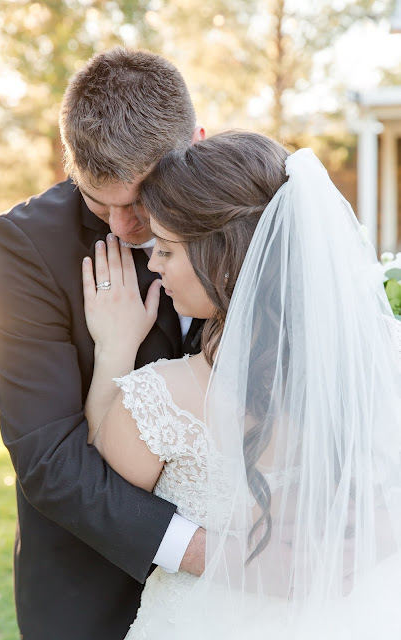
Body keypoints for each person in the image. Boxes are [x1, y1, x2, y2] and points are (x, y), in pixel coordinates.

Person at [83, 131, 401, 639]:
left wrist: (114, 348)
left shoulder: (164, 397)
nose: (152, 263)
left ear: (225, 260)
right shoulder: (388, 351)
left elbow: (97, 484)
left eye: (166, 248)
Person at [0, 47, 206, 640]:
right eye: (95, 200)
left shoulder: (245, 213)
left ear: (197, 142)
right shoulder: (29, 245)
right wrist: (202, 551)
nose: (119, 228)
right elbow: (46, 457)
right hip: (88, 589)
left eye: (137, 203)